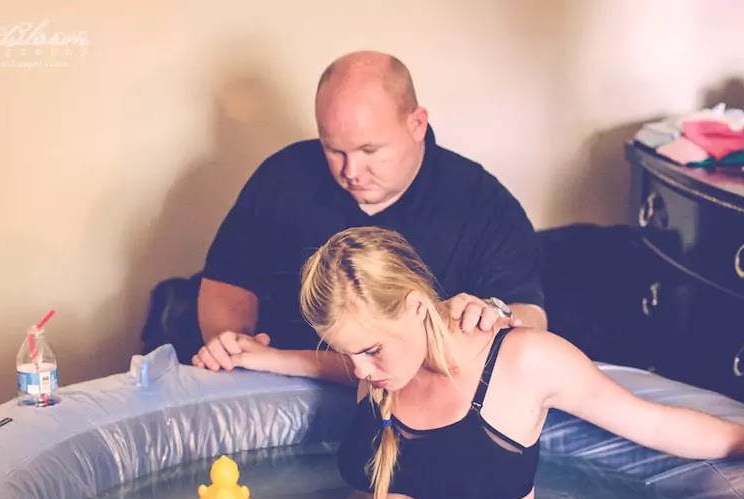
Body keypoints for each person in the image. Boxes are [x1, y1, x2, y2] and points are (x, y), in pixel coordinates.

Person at [297, 225, 744, 499]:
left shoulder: (525, 361)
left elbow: (658, 425)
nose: (360, 371)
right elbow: (330, 365)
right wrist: (255, 355)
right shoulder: (382, 367)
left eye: (368, 351)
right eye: (350, 356)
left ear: (418, 308)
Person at [192, 50, 546, 385]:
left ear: (417, 124)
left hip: (421, 396)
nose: (352, 171)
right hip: (282, 386)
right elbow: (226, 284)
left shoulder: (482, 201)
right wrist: (233, 346)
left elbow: (530, 315)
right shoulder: (282, 178)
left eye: (370, 150)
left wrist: (493, 313)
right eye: (334, 151)